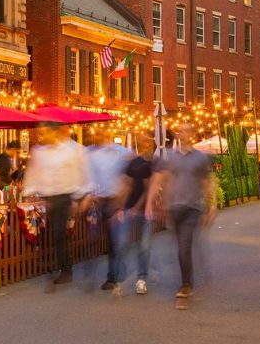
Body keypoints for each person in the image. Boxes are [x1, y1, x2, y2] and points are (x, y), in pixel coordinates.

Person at [146, 122, 214, 310]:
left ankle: (185, 286)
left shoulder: (199, 158)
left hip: (193, 208)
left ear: (192, 133)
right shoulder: (169, 157)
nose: (182, 134)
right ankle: (189, 279)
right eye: (180, 131)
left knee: (184, 246)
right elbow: (157, 179)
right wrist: (150, 202)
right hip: (174, 208)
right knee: (181, 247)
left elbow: (206, 183)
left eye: (186, 130)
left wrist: (212, 206)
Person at [22, 123, 91, 286]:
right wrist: (29, 191)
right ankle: (63, 266)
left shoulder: (68, 151)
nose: (42, 135)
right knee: (56, 234)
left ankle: (66, 270)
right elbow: (34, 173)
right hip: (49, 198)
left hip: (64, 197)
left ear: (54, 133)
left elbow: (77, 173)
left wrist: (78, 196)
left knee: (59, 233)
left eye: (45, 132)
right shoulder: (39, 152)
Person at [86, 130, 131, 291]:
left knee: (114, 241)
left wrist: (120, 203)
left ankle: (113, 276)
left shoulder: (118, 152)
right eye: (94, 134)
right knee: (94, 237)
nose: (96, 136)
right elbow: (89, 177)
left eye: (99, 133)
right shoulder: (91, 154)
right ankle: (92, 273)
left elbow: (127, 176)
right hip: (99, 201)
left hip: (115, 202)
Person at [113, 137, 155, 296]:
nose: (146, 146)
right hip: (129, 209)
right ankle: (118, 281)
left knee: (144, 246)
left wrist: (136, 208)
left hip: (144, 211)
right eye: (144, 143)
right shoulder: (133, 163)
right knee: (122, 244)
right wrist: (120, 207)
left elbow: (148, 189)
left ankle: (141, 279)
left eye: (148, 143)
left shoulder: (150, 165)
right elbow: (126, 185)